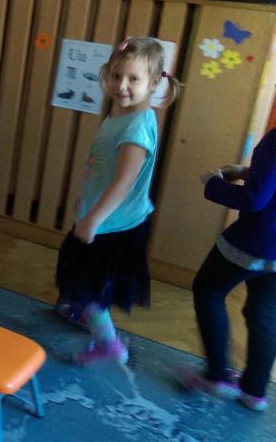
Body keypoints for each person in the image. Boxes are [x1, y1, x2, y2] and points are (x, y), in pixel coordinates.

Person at [55, 37, 182, 366]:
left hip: (114, 225)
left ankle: (107, 343)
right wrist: (87, 203)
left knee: (87, 284)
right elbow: (103, 170)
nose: (122, 85)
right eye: (116, 76)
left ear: (153, 84)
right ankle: (85, 310)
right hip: (104, 217)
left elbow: (124, 182)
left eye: (133, 79)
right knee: (80, 275)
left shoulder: (136, 127)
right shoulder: (122, 116)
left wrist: (93, 219)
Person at [179, 128, 276, 412]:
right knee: (264, 314)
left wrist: (213, 183)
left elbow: (254, 200)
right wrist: (247, 172)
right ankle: (254, 391)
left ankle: (218, 376)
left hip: (257, 241)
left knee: (208, 291)